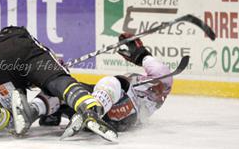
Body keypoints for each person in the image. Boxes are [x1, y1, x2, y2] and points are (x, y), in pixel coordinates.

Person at [0, 26, 118, 142]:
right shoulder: (32, 45)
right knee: (58, 81)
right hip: (21, 44)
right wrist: (59, 70)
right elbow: (57, 78)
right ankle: (89, 108)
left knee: (13, 117)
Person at [39, 33, 173, 133]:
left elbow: (164, 76)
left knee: (113, 82)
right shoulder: (148, 83)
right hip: (107, 107)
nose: (156, 88)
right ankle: (31, 112)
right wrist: (54, 73)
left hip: (124, 113)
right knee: (60, 86)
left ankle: (94, 111)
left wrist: (143, 56)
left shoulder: (155, 88)